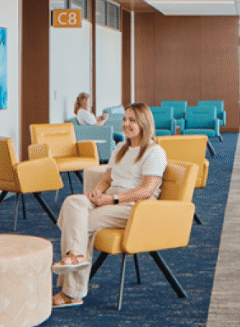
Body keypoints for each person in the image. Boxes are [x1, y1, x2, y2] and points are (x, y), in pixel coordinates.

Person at [51, 103, 167, 309]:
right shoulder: (122, 148)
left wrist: (112, 200)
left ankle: (71, 293)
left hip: (136, 206)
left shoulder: (154, 151)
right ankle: (75, 256)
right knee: (72, 202)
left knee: (80, 223)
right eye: (124, 119)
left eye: (132, 120)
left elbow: (147, 190)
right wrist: (97, 192)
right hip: (112, 197)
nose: (126, 124)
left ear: (144, 123)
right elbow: (107, 179)